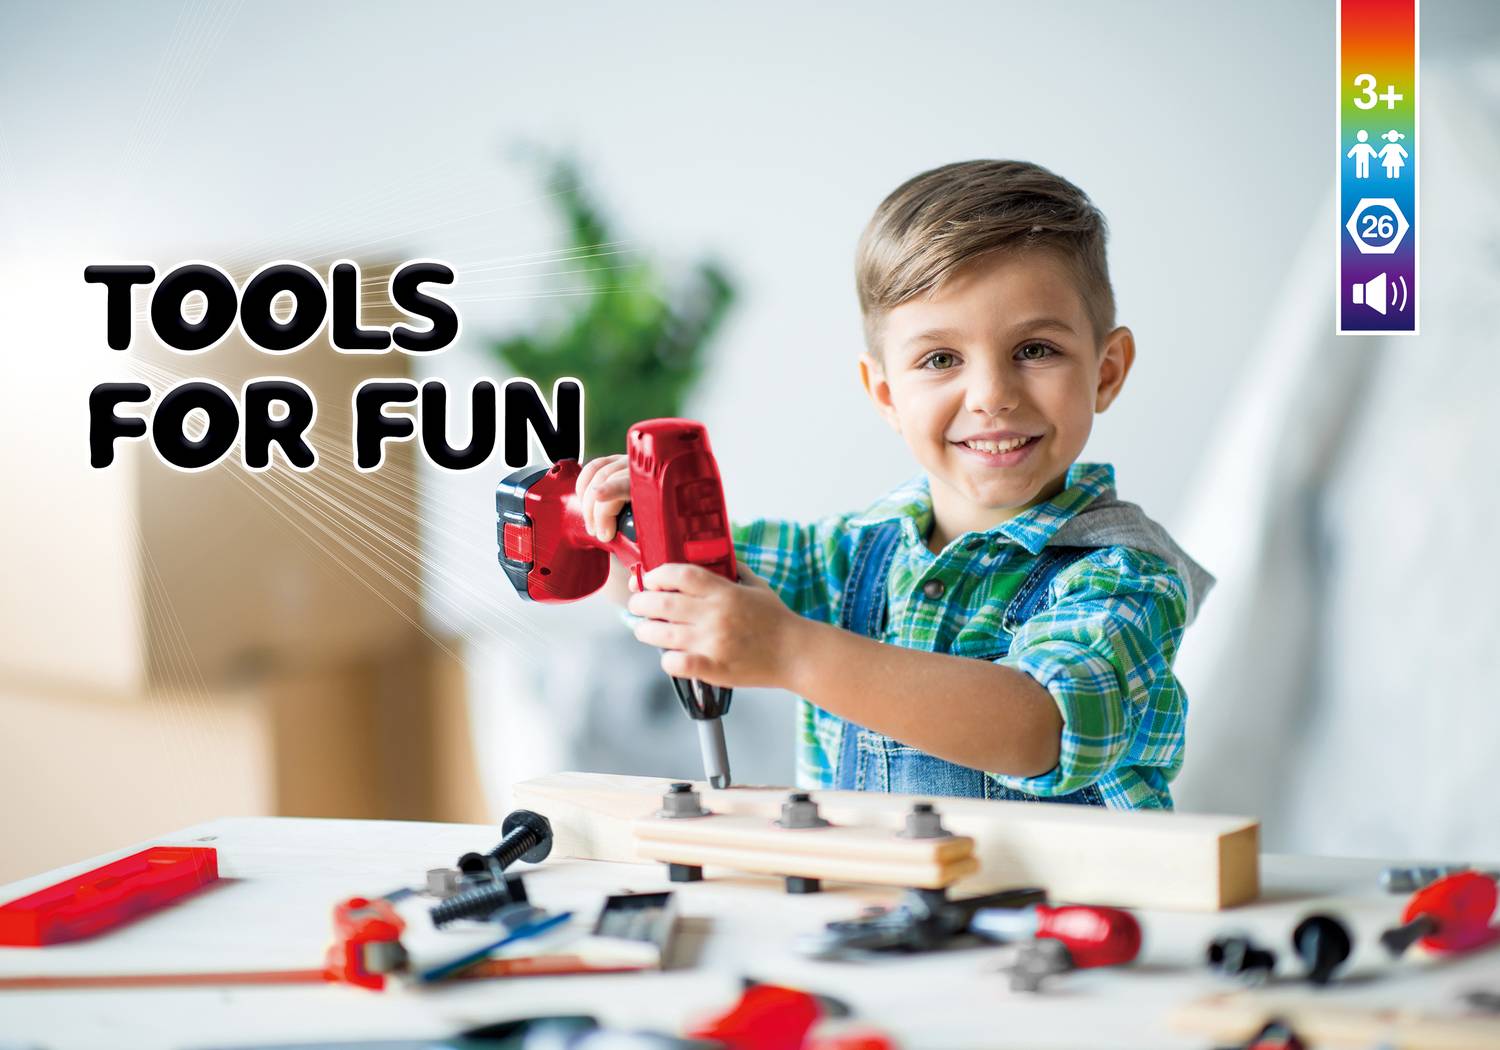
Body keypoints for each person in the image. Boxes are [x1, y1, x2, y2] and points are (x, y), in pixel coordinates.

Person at [576, 160, 1212, 809]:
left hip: (1063, 908)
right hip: (882, 901)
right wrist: (638, 529)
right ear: (885, 393)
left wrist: (795, 652)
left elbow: (1042, 730)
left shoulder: (1126, 574)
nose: (992, 395)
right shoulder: (849, 556)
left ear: (1106, 371)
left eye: (1035, 350)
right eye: (941, 360)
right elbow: (692, 587)